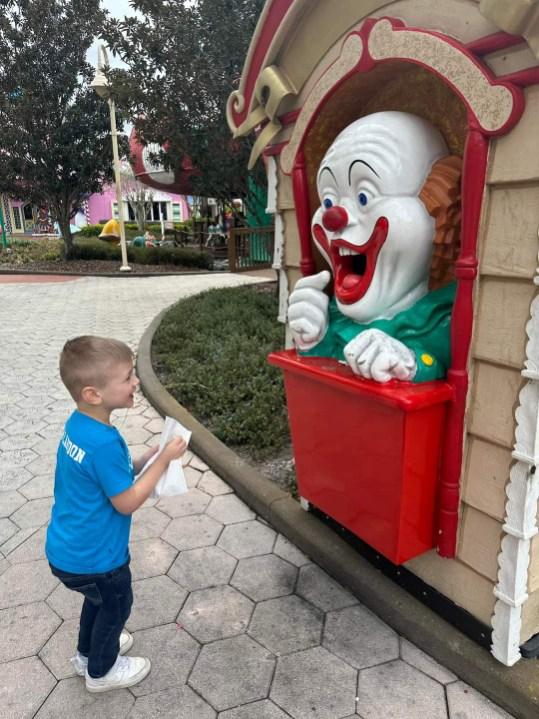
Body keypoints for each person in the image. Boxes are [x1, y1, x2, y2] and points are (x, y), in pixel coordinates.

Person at [45, 336, 187, 693]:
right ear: (93, 393)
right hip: (99, 560)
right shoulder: (104, 441)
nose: (136, 382)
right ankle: (102, 671)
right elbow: (126, 501)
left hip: (69, 552)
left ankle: (86, 655)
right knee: (115, 606)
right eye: (127, 377)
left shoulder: (80, 426)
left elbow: (114, 473)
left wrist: (148, 458)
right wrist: (166, 462)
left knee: (97, 602)